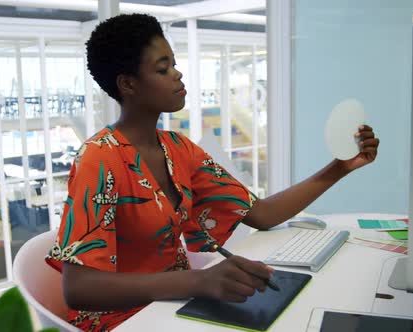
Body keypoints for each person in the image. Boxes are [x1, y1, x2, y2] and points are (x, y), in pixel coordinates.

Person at [45, 13, 380, 331]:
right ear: (128, 84)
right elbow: (79, 288)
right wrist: (198, 281)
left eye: (174, 64)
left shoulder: (179, 149)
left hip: (174, 305)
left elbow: (261, 213)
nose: (178, 74)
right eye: (163, 69)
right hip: (122, 320)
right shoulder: (98, 158)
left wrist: (340, 167)